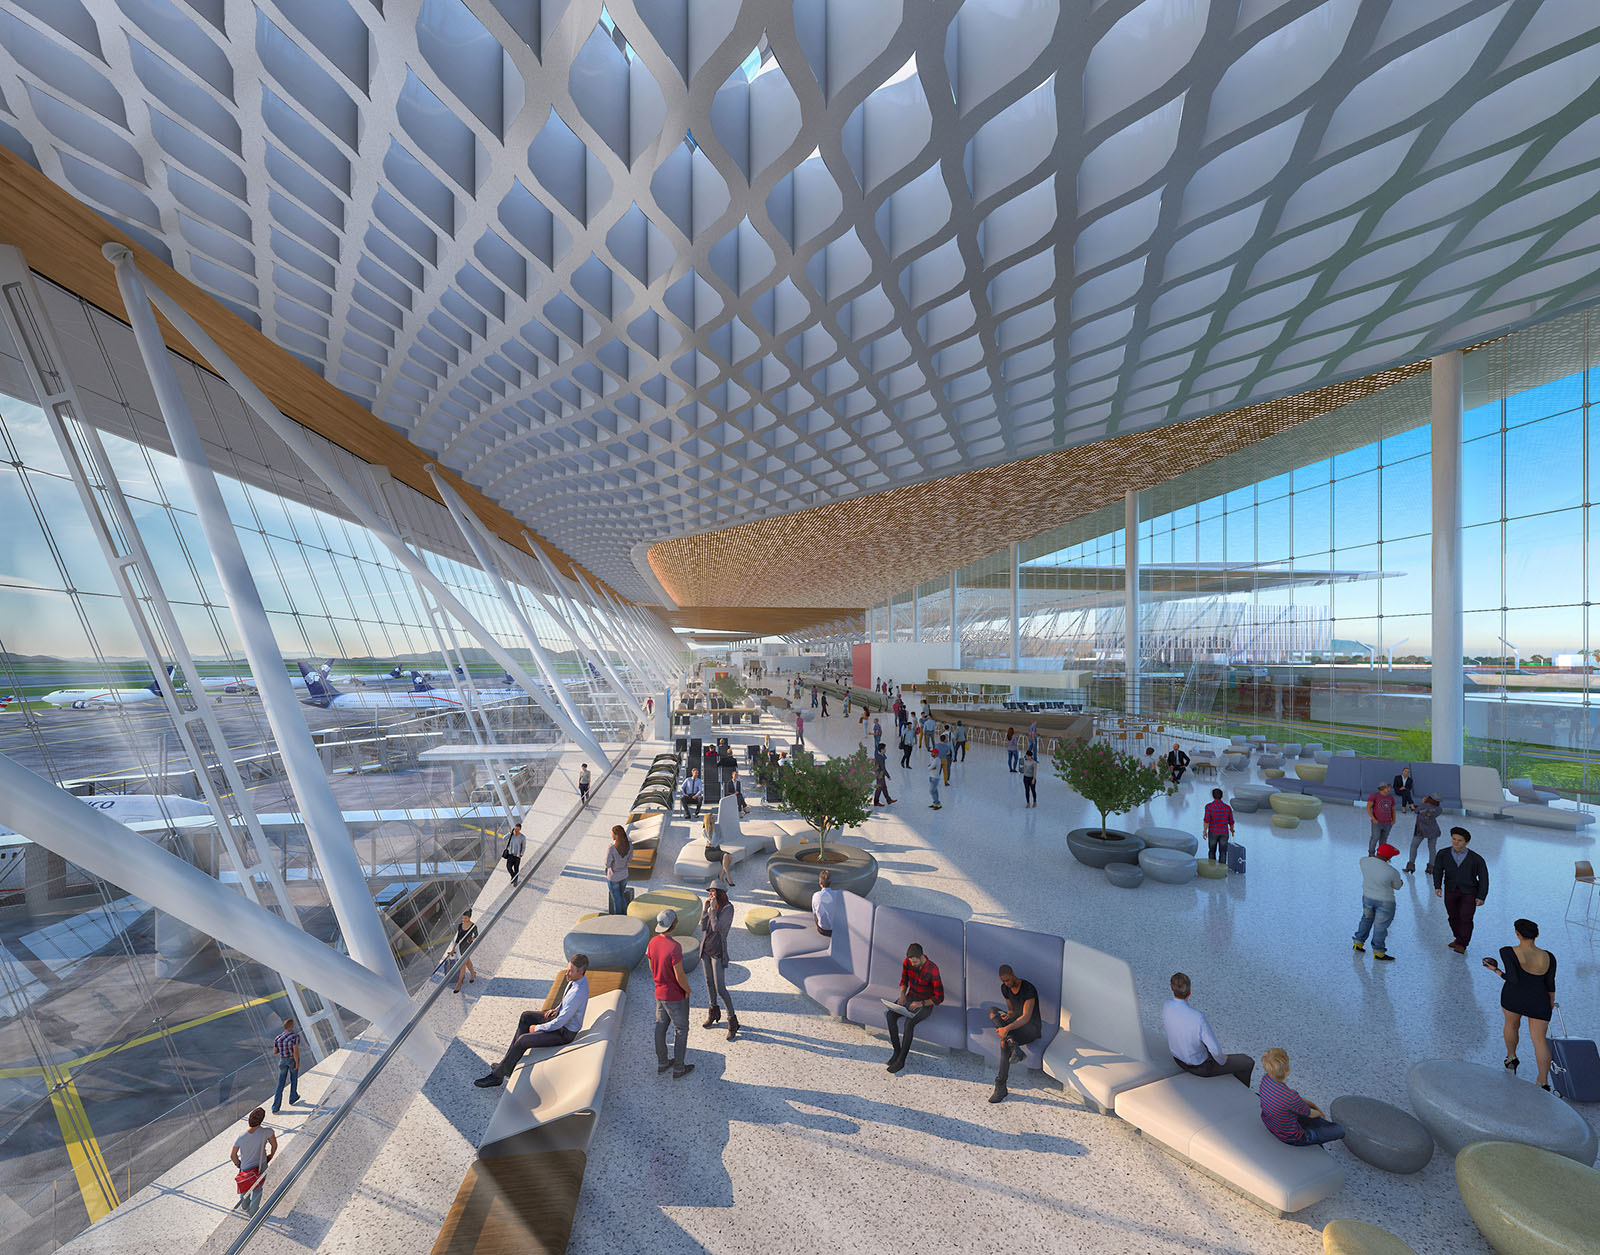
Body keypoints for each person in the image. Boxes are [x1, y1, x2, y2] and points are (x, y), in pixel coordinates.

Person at [473, 955, 591, 1087]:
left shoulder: (578, 992)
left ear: (580, 972)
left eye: (571, 971)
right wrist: (556, 1009)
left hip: (564, 1033)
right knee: (526, 1016)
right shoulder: (575, 980)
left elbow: (560, 1023)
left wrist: (537, 1028)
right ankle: (507, 1066)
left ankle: (497, 1076)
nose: (567, 973)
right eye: (568, 969)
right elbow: (567, 1006)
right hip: (559, 1018)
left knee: (523, 1040)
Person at [1483, 918, 1557, 1090]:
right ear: (1537, 935)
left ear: (1517, 934)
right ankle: (1542, 1081)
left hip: (1513, 997)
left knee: (1511, 1025)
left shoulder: (1507, 952)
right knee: (1539, 1041)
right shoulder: (1549, 957)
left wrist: (1496, 970)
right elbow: (1550, 983)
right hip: (1540, 1000)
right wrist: (1550, 1001)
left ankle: (1511, 1058)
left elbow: (1513, 978)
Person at [1163, 972, 1253, 1085]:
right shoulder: (1198, 1017)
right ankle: (1243, 1093)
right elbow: (1215, 1050)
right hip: (1200, 1067)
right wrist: (1222, 1060)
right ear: (1189, 992)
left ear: (1172, 988)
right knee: (1247, 1062)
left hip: (1178, 1060)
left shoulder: (1166, 1005)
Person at [1258, 1049, 1346, 1146]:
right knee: (1339, 1130)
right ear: (1287, 1070)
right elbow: (1312, 1114)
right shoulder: (1290, 1097)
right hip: (1291, 1137)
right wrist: (1319, 1112)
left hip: (1270, 1124)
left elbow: (1293, 1102)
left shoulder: (1265, 1080)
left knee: (1310, 1117)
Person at [885, 942, 944, 1074]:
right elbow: (904, 980)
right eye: (911, 961)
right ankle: (896, 1051)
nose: (912, 964)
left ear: (922, 956)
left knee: (908, 1024)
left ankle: (901, 1061)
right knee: (890, 1015)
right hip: (910, 998)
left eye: (915, 961)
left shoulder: (933, 969)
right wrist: (902, 995)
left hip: (925, 1004)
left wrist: (921, 1004)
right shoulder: (908, 962)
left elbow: (939, 998)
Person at [649, 911, 694, 1078]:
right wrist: (687, 990)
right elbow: (679, 975)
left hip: (659, 992)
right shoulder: (675, 947)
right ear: (674, 924)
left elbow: (651, 965)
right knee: (681, 1029)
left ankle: (662, 1063)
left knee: (660, 1027)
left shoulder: (652, 942)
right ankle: (679, 1068)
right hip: (674, 995)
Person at [986, 964, 1041, 1104]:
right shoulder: (1005, 988)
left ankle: (1000, 1086)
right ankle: (1014, 1046)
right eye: (1003, 981)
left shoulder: (1028, 989)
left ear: (1013, 974)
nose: (1007, 984)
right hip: (1015, 1023)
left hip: (1031, 1028)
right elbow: (1011, 1010)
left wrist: (1007, 1028)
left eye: (1008, 980)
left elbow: (1026, 1017)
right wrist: (1007, 1016)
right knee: (992, 1010)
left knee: (1003, 1042)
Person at [1434, 826, 1489, 953]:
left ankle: (1462, 943)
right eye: (1454, 839)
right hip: (1450, 890)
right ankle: (1458, 938)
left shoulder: (1476, 859)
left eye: (1459, 840)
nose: (1455, 842)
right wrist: (1437, 886)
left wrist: (1481, 896)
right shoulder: (1443, 854)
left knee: (1466, 917)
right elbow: (1437, 870)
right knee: (1452, 917)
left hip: (1469, 892)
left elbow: (1484, 878)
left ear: (1467, 842)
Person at [698, 886, 739, 1039]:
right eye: (709, 892)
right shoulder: (711, 907)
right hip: (706, 949)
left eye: (713, 892)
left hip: (717, 951)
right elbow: (703, 927)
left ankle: (732, 1020)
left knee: (720, 988)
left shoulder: (728, 908)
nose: (710, 894)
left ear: (720, 893)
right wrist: (705, 909)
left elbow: (716, 928)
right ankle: (713, 1011)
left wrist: (712, 911)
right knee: (709, 982)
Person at [1351, 842, 1403, 961]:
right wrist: (1400, 882)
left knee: (1366, 919)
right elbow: (1397, 886)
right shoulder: (1392, 871)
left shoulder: (1363, 861)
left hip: (1367, 897)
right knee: (1380, 926)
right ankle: (1378, 952)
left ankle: (1358, 942)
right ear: (1388, 857)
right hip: (1385, 902)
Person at [231, 1107, 277, 1217]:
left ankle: (245, 1206)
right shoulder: (267, 1132)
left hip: (246, 1166)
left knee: (245, 1187)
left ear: (249, 1120)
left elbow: (233, 1155)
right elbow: (274, 1146)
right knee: (258, 1188)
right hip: (261, 1165)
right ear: (261, 1120)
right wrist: (270, 1155)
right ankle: (253, 1212)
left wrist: (238, 1164)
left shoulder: (241, 1137)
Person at [1404, 793, 1444, 874]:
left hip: (1420, 830)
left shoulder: (1423, 806)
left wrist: (1423, 803)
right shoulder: (1439, 809)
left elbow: (1416, 811)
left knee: (1414, 846)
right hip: (1433, 830)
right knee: (1432, 848)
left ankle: (1411, 865)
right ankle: (1431, 867)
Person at [270, 1016, 301, 1113]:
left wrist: (282, 1049)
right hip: (291, 1060)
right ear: (291, 1026)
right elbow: (295, 1052)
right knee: (293, 1079)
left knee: (280, 1083)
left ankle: (275, 1106)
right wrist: (297, 1063)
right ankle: (293, 1097)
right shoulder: (294, 1037)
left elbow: (275, 1051)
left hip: (282, 1060)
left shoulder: (278, 1038)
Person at [449, 909, 479, 992]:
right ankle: (473, 974)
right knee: (467, 962)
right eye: (462, 918)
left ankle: (459, 983)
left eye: (465, 918)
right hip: (460, 947)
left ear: (469, 918)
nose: (463, 920)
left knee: (462, 964)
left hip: (468, 947)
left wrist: (471, 939)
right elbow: (458, 938)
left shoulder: (473, 926)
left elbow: (476, 936)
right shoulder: (460, 926)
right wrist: (453, 949)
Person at [604, 825, 630, 915]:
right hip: (624, 875)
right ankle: (626, 914)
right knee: (621, 895)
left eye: (612, 833)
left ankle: (619, 919)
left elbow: (607, 864)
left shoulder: (611, 848)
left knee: (616, 899)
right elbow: (629, 859)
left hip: (613, 877)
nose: (611, 834)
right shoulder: (629, 845)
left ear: (616, 835)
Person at [1203, 788, 1234, 863]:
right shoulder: (1227, 808)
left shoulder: (1209, 807)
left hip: (1213, 832)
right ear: (1222, 796)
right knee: (1223, 852)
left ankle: (1211, 868)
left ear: (1213, 796)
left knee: (1212, 851)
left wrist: (1204, 831)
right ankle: (1221, 870)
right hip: (1224, 833)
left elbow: (1206, 821)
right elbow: (1231, 822)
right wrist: (1232, 830)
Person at [1366, 782, 1396, 856]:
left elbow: (1393, 810)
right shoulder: (1374, 796)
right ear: (1382, 788)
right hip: (1377, 822)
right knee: (1375, 837)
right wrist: (1373, 818)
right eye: (1387, 787)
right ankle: (1371, 853)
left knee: (1383, 840)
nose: (1389, 789)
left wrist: (1394, 820)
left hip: (1388, 823)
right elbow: (1368, 807)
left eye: (1390, 788)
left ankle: (1381, 854)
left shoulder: (1391, 798)